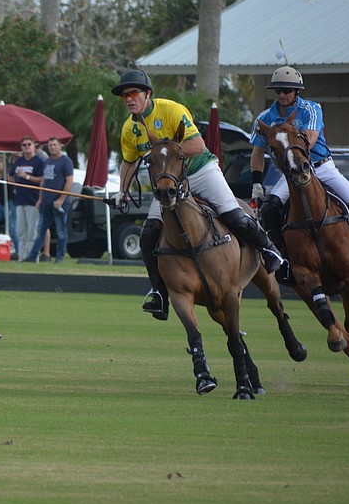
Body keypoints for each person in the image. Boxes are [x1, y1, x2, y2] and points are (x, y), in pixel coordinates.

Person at [112, 69, 283, 321]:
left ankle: (269, 251)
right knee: (148, 235)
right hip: (168, 184)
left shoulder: (171, 110)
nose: (128, 98)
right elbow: (129, 162)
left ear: (147, 94)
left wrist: (167, 151)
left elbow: (197, 145)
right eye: (124, 95)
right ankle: (158, 293)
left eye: (133, 93)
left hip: (200, 170)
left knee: (233, 213)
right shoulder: (130, 129)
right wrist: (121, 191)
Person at [250, 65, 349, 270]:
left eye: (287, 90)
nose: (282, 95)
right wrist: (256, 183)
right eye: (278, 91)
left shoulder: (311, 108)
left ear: (297, 92)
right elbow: (257, 152)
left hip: (321, 167)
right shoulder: (264, 118)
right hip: (291, 173)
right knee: (269, 210)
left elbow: (310, 138)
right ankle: (281, 257)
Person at [21, 137, 74, 264]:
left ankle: (59, 258)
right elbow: (44, 181)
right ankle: (32, 256)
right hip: (46, 201)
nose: (52, 147)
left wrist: (61, 199)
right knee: (41, 231)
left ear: (60, 146)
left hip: (60, 203)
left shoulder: (66, 161)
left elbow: (69, 181)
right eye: (50, 145)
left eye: (54, 145)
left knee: (61, 231)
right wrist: (40, 199)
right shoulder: (48, 161)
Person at [12, 137, 45, 262]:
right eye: (24, 145)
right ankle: (22, 257)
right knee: (21, 231)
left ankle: (32, 257)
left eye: (29, 144)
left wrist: (26, 176)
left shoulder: (39, 162)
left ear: (34, 145)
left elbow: (42, 180)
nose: (26, 147)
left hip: (33, 200)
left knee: (32, 232)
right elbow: (11, 175)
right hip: (20, 201)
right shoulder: (19, 161)